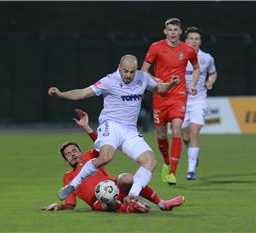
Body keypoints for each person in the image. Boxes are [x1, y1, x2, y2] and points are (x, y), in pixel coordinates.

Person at [48, 54, 179, 203]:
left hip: (130, 130)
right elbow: (83, 92)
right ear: (119, 68)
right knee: (106, 157)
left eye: (132, 71)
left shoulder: (142, 77)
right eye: (126, 71)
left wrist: (171, 84)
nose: (129, 75)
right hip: (111, 125)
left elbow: (160, 89)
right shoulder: (109, 81)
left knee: (150, 161)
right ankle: (74, 183)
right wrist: (61, 94)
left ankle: (133, 195)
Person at [40, 109, 185, 213]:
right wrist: (59, 206)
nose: (72, 154)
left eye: (74, 151)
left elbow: (103, 142)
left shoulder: (89, 157)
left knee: (126, 178)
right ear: (66, 161)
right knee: (105, 204)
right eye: (68, 154)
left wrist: (86, 127)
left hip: (114, 187)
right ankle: (131, 207)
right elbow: (70, 204)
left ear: (80, 151)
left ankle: (161, 203)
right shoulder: (68, 178)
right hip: (98, 202)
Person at [141, 18, 200, 185]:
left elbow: (196, 68)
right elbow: (144, 70)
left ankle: (173, 172)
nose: (173, 32)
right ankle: (166, 161)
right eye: (170, 29)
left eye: (176, 29)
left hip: (179, 95)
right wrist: (156, 81)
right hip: (160, 95)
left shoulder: (188, 50)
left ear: (180, 32)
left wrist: (193, 84)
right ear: (165, 31)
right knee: (160, 135)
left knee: (176, 130)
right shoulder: (156, 47)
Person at [181, 26, 217, 180]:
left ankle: (191, 170)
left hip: (198, 100)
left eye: (197, 39)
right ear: (185, 40)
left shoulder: (207, 58)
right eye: (191, 39)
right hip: (181, 100)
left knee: (194, 132)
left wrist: (210, 81)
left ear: (200, 41)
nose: (194, 41)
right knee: (185, 136)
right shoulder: (179, 56)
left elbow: (213, 73)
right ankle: (193, 155)